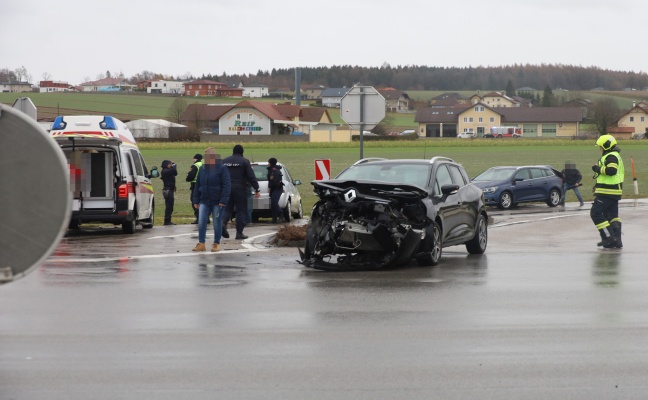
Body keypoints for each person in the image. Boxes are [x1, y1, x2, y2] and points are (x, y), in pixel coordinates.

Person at [192, 148, 231, 252]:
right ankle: (201, 243)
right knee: (201, 221)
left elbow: (227, 185)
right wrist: (195, 200)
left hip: (217, 201)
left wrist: (223, 200)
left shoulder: (222, 168)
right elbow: (197, 185)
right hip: (204, 200)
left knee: (216, 222)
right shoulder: (203, 168)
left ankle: (216, 243)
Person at [590, 134, 624, 249]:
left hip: (607, 191)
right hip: (614, 191)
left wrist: (597, 168)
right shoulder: (615, 155)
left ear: (606, 146)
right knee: (612, 216)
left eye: (601, 147)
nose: (600, 149)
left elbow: (611, 171)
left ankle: (608, 236)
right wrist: (597, 185)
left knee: (595, 213)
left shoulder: (611, 156)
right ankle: (616, 241)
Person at [221, 144, 260, 240]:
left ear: (233, 151)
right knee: (241, 210)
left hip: (227, 188)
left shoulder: (224, 161)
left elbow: (219, 175)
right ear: (242, 152)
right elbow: (251, 176)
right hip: (240, 189)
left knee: (227, 208)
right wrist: (257, 189)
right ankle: (239, 233)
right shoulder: (244, 161)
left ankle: (222, 222)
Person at [185, 153, 203, 224]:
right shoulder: (203, 164)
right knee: (202, 202)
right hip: (203, 185)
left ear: (196, 159)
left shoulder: (195, 165)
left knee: (194, 201)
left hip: (195, 185)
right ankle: (205, 218)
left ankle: (199, 218)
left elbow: (191, 176)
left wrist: (188, 178)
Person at [267, 157, 284, 223]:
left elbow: (273, 181)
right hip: (274, 189)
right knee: (273, 204)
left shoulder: (275, 171)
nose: (268, 164)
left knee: (274, 202)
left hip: (277, 188)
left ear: (271, 163)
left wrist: (270, 187)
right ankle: (274, 218)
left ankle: (281, 214)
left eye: (269, 162)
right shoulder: (271, 170)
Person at [160, 160, 177, 226]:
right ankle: (167, 221)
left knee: (170, 206)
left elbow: (175, 173)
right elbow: (173, 170)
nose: (170, 165)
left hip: (170, 190)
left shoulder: (168, 171)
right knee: (169, 206)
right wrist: (174, 165)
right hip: (167, 190)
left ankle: (168, 220)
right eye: (169, 164)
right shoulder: (164, 171)